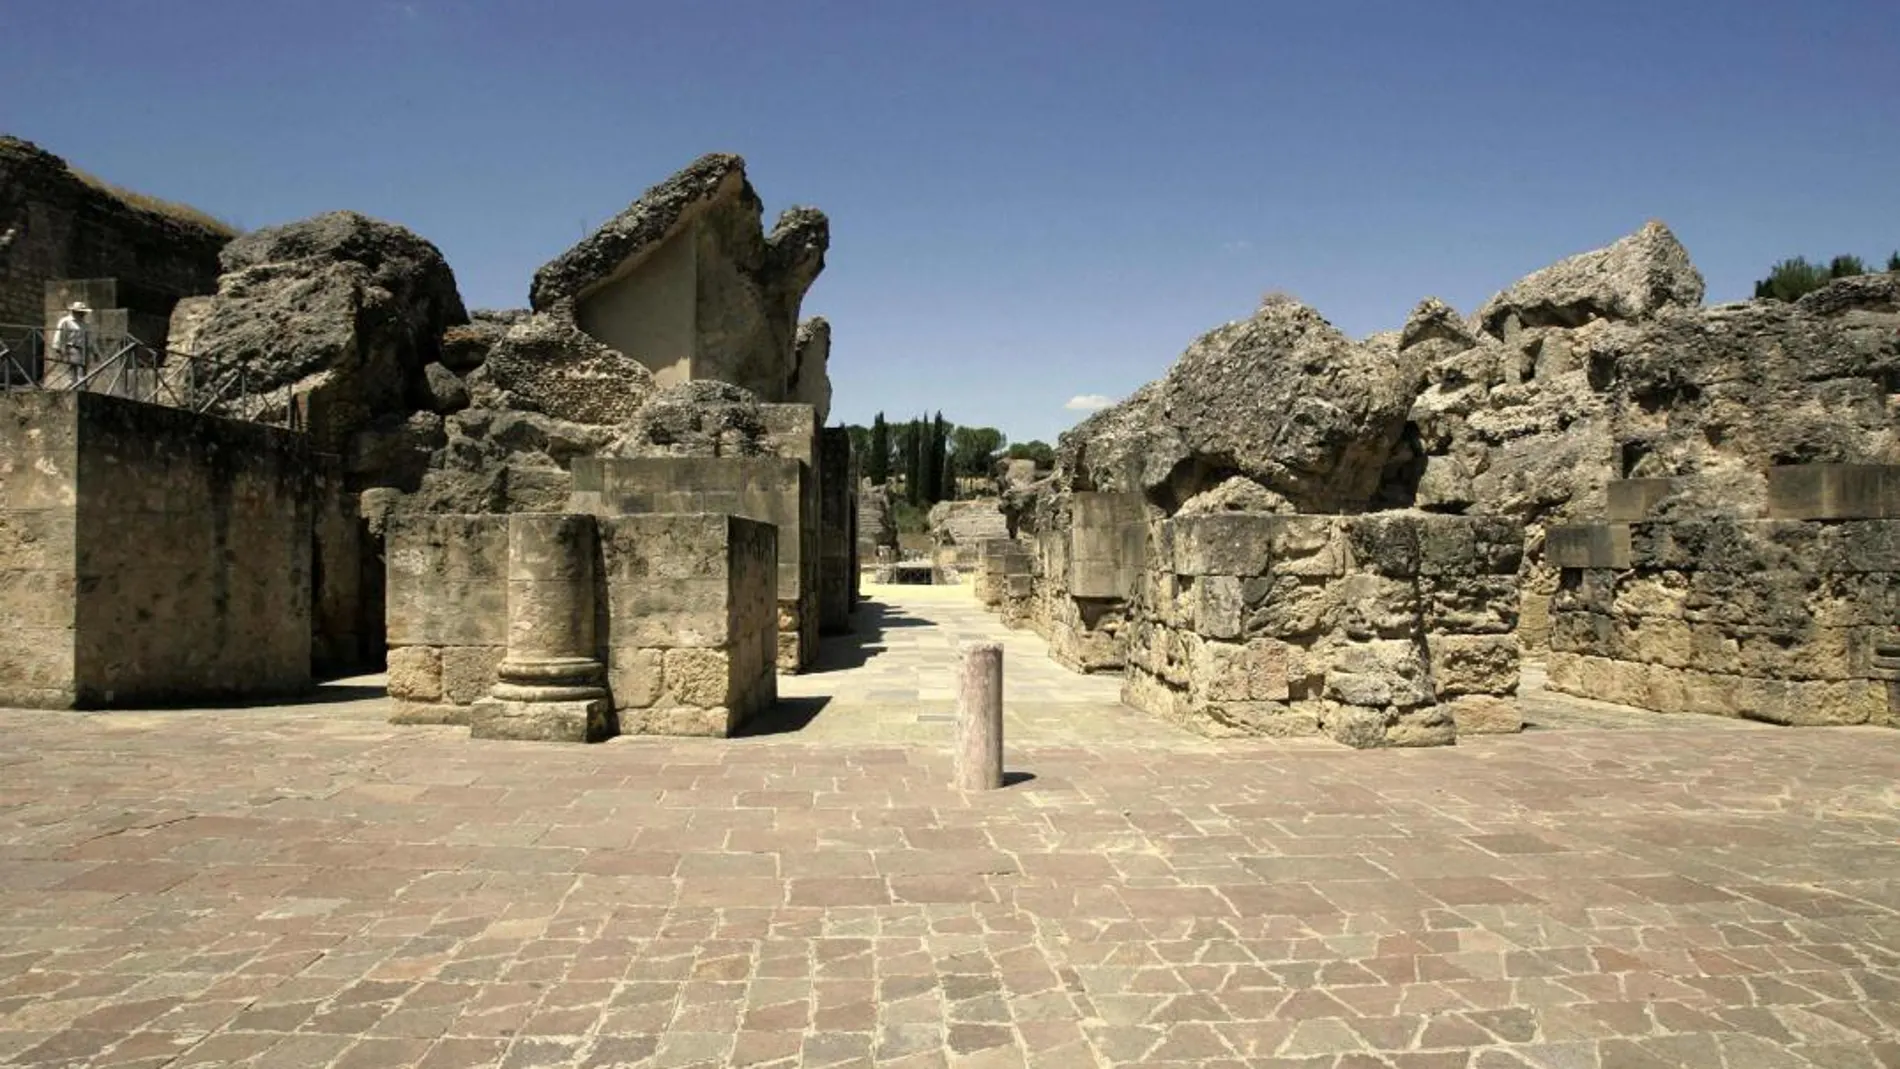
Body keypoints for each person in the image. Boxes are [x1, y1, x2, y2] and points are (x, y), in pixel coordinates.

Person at [49, 301, 90, 384]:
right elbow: (59, 334)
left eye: (83, 313)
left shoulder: (85, 324)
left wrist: (94, 351)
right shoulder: (66, 321)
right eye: (80, 312)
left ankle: (77, 387)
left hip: (84, 349)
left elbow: (89, 338)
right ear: (75, 312)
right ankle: (74, 386)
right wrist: (57, 348)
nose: (82, 314)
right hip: (72, 348)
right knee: (76, 370)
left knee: (81, 371)